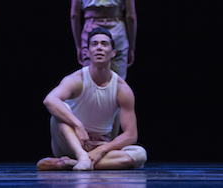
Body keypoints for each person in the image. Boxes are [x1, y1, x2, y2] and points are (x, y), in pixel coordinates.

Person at [37, 27, 147, 171]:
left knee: (140, 155)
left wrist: (102, 149)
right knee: (61, 109)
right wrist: (78, 125)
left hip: (98, 145)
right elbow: (50, 100)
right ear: (87, 53)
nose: (99, 48)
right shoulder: (77, 80)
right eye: (94, 44)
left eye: (104, 44)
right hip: (69, 141)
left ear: (113, 53)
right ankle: (81, 156)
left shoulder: (122, 89)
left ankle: (72, 163)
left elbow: (131, 134)